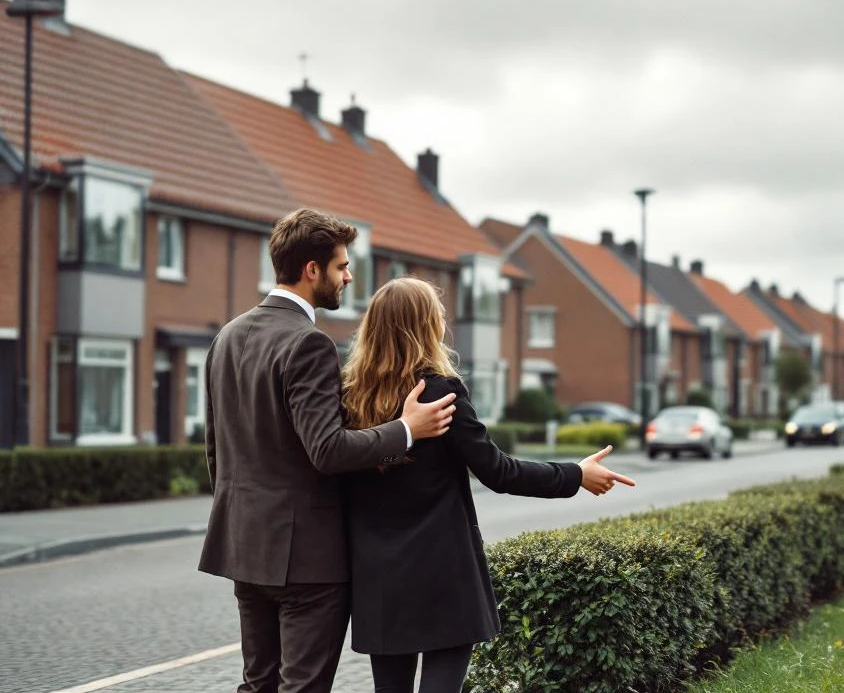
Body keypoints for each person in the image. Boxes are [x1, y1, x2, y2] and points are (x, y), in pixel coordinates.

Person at [199, 209, 458, 693]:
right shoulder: (307, 344)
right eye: (341, 266)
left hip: (243, 546)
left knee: (259, 685)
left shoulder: (227, 337)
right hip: (307, 561)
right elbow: (328, 450)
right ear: (311, 270)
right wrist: (405, 428)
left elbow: (216, 447)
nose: (349, 276)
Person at [341, 276, 637, 693]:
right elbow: (498, 472)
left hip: (380, 581)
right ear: (423, 326)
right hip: (442, 576)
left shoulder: (351, 396)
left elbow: (357, 466)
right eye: (438, 315)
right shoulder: (440, 393)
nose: (445, 322)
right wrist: (576, 475)